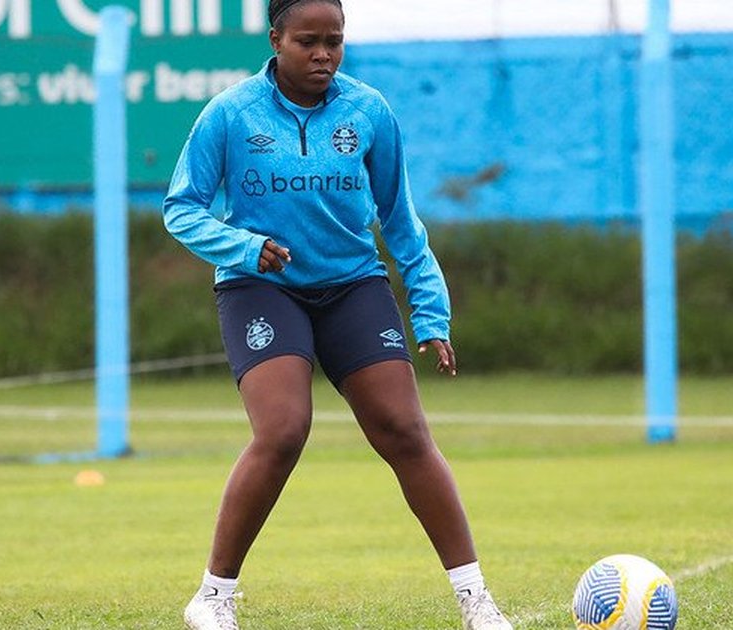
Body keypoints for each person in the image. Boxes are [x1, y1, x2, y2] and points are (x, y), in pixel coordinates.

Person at [162, 1, 513, 628]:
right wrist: (245, 248)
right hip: (261, 285)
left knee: (405, 430)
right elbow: (181, 208)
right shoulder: (231, 114)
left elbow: (400, 222)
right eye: (307, 42)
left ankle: (476, 600)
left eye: (334, 41)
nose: (323, 54)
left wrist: (431, 313)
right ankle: (212, 599)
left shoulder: (369, 111)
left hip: (353, 284)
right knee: (284, 431)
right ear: (276, 40)